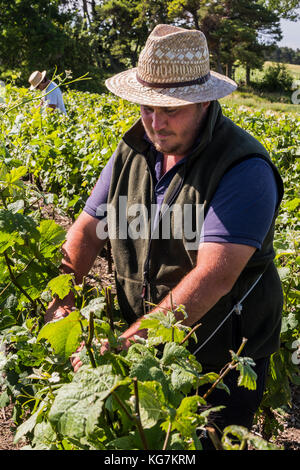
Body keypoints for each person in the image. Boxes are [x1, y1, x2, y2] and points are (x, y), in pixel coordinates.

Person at [45, 24, 284, 448]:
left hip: (220, 362)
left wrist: (127, 343)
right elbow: (86, 230)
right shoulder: (132, 152)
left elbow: (213, 278)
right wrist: (60, 301)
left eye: (170, 109)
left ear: (204, 101)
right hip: (148, 345)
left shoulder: (243, 169)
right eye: (146, 107)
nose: (156, 123)